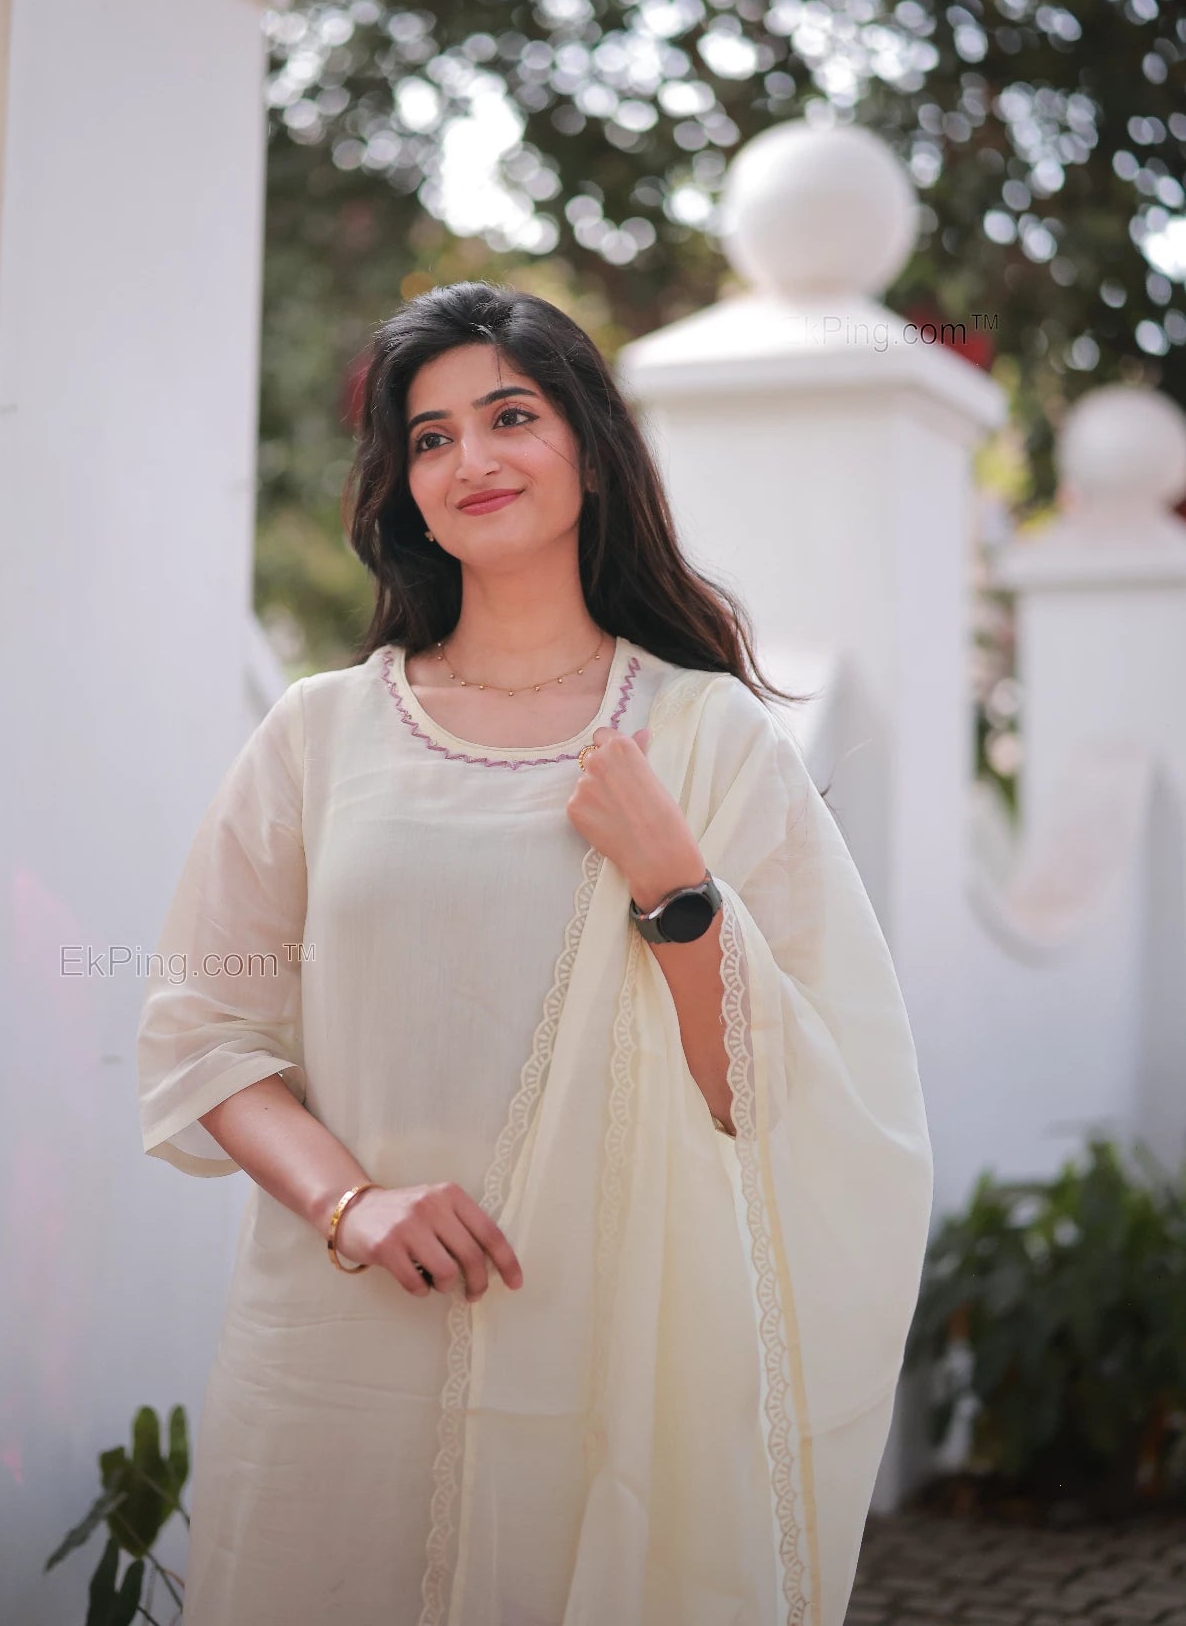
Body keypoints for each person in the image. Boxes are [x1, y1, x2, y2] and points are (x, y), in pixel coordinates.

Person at [136, 281, 934, 1626]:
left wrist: (674, 886)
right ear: (402, 489)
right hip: (332, 1355)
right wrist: (352, 1205)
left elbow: (787, 1097)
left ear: (588, 447)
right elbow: (202, 1029)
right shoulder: (321, 736)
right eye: (429, 437)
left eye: (508, 415)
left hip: (604, 1359)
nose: (469, 460)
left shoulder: (703, 740)